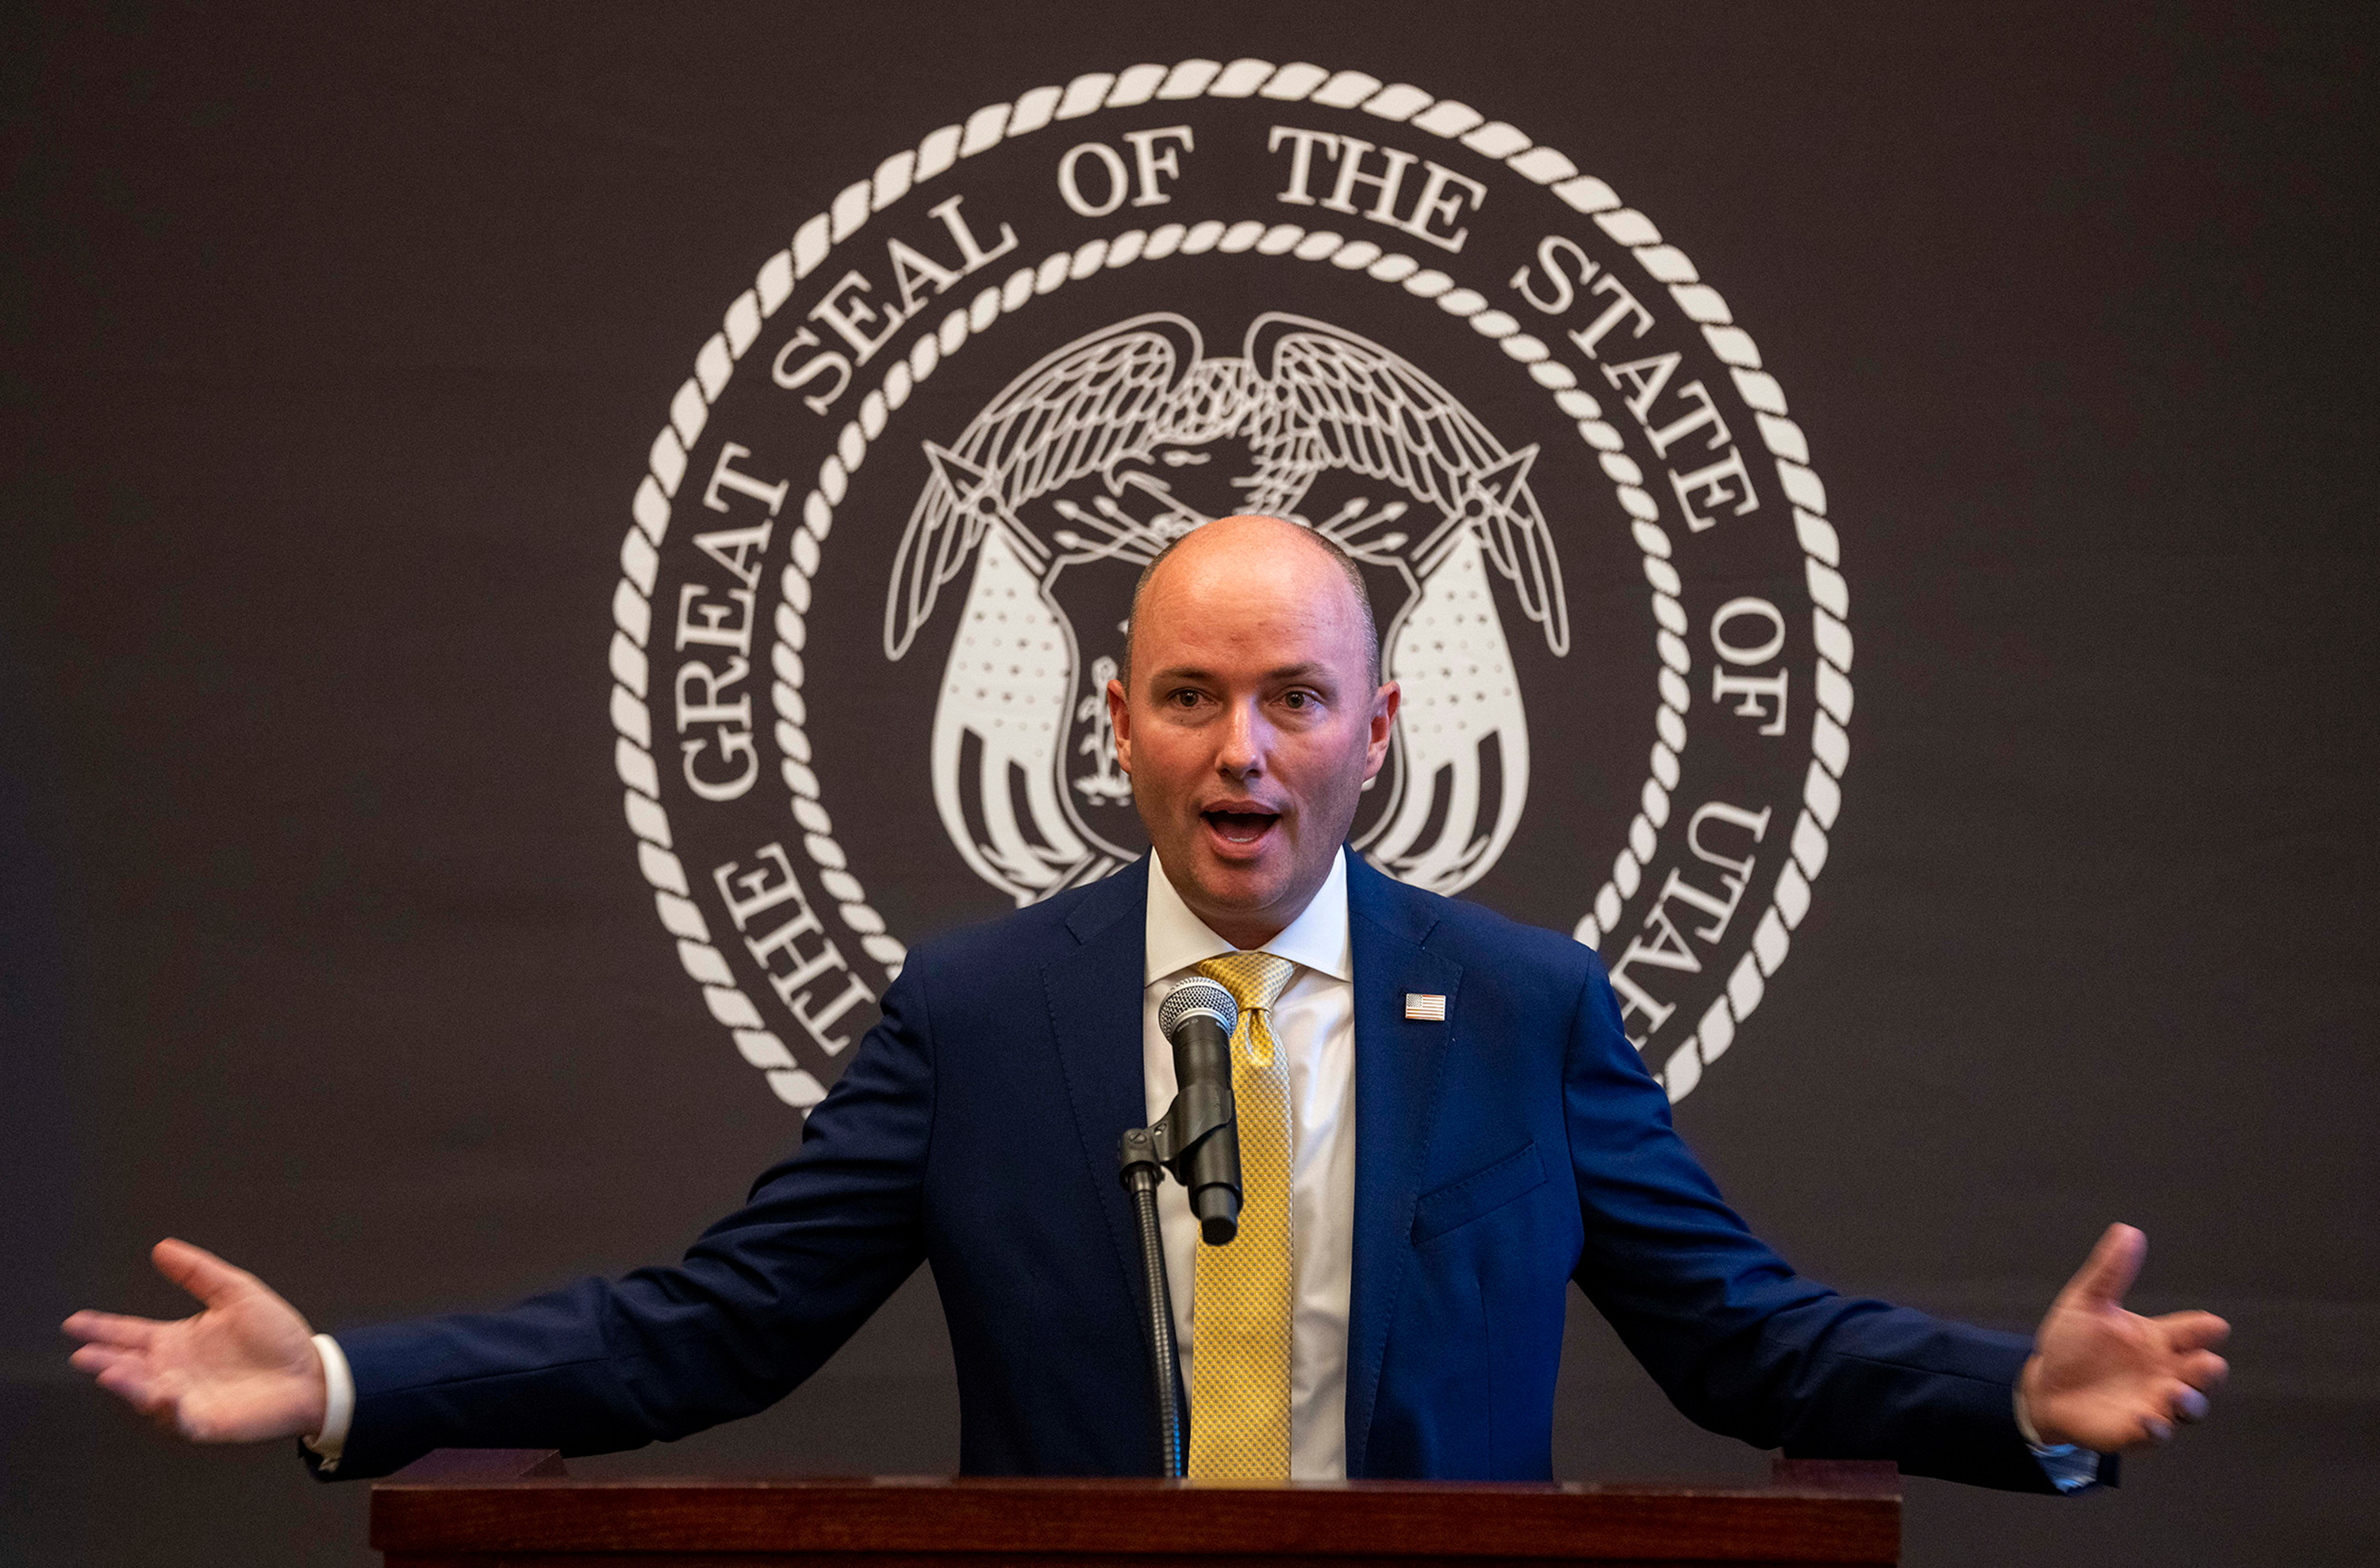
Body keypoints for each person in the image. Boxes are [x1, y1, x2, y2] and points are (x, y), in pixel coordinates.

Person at [64, 515, 2228, 1486]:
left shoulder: (1533, 1007)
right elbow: (706, 1329)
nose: (1244, 753)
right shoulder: (984, 1014)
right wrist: (351, 1378)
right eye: (1192, 699)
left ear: (1381, 730)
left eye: (1297, 700)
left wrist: (2012, 1407)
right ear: (1119, 726)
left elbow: (1741, 1335)